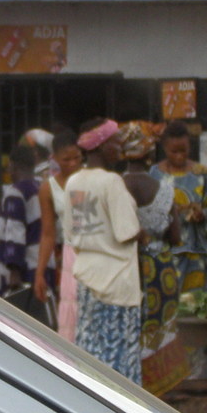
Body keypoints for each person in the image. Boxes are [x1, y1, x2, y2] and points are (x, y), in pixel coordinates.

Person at [65, 118, 143, 381]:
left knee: (90, 358)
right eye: (114, 141)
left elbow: (71, 232)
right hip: (117, 282)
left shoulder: (74, 182)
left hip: (88, 279)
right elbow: (128, 232)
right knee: (118, 365)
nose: (119, 146)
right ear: (100, 145)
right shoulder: (111, 183)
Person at [119, 121, 189, 396]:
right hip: (161, 267)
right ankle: (163, 388)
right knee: (162, 326)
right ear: (150, 156)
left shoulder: (116, 187)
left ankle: (133, 384)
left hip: (127, 267)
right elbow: (176, 237)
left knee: (132, 325)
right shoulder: (164, 190)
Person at [155, 121, 207, 293]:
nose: (179, 156)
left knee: (196, 304)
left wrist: (203, 213)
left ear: (190, 146)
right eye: (173, 151)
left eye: (183, 150)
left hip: (196, 253)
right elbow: (146, 214)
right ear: (164, 148)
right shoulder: (154, 174)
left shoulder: (202, 173)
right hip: (166, 254)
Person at [34, 133, 84, 341]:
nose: (73, 163)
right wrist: (40, 272)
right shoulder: (48, 188)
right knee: (71, 315)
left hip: (94, 252)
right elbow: (48, 234)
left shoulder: (90, 179)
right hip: (70, 256)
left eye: (77, 158)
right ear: (54, 158)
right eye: (66, 159)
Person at [0, 142, 45, 297]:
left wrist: (14, 273)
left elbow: (15, 233)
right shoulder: (42, 188)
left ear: (12, 166)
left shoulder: (15, 193)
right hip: (42, 265)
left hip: (22, 271)